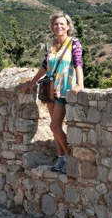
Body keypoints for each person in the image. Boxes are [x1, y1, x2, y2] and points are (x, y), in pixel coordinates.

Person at [21, 12, 84, 173]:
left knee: (54, 125)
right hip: (50, 89)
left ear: (68, 26)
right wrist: (31, 82)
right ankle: (61, 158)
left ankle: (70, 159)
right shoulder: (52, 45)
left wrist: (80, 84)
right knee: (55, 127)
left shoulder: (74, 43)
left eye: (62, 24)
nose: (59, 26)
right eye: (56, 24)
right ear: (52, 27)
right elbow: (44, 66)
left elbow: (78, 64)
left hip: (64, 89)